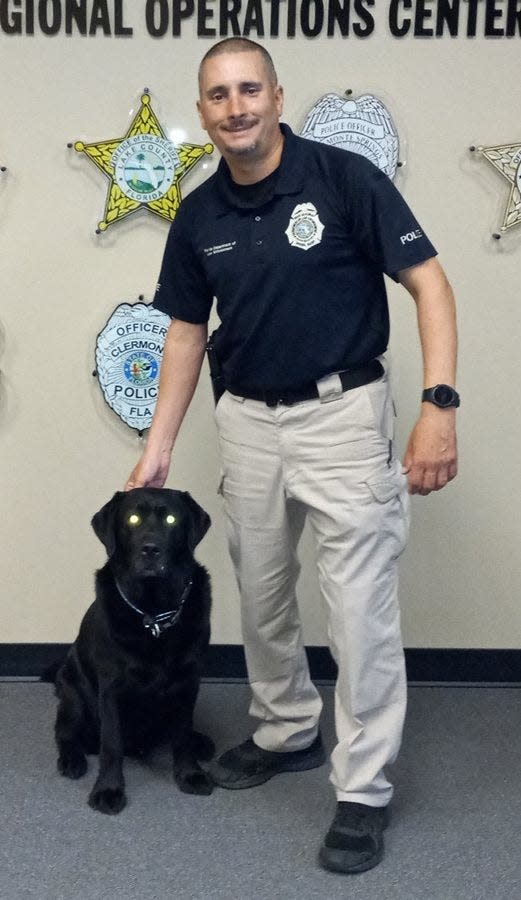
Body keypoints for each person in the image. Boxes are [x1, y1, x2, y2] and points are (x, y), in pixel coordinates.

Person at [126, 37, 458, 874]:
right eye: (216, 95)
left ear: (277, 95)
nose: (234, 106)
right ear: (201, 113)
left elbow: (429, 283)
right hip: (246, 420)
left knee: (357, 611)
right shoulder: (199, 215)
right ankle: (284, 729)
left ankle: (363, 790)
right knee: (263, 591)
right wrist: (158, 448)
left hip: (341, 413)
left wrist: (437, 406)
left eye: (248, 89)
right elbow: (185, 332)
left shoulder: (344, 179)